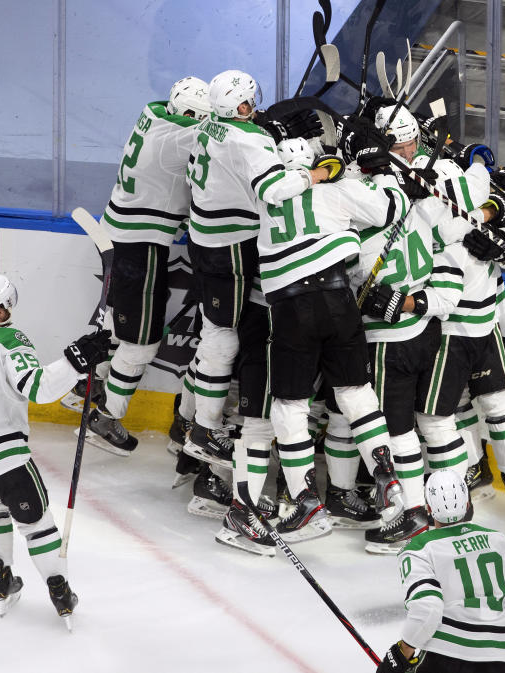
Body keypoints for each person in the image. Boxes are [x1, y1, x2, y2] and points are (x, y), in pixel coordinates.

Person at [247, 136, 418, 549]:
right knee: (356, 391)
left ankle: (306, 502)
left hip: (290, 307)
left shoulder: (265, 200)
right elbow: (393, 207)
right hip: (339, 297)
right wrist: (383, 171)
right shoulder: (338, 190)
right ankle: (390, 483)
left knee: (289, 405)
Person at [0, 273, 111, 623]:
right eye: (3, 304)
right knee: (37, 523)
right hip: (0, 459)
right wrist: (75, 362)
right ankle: (60, 591)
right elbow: (38, 389)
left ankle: (1, 579)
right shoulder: (10, 339)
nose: (8, 309)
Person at [350, 107, 491, 553]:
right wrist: (424, 304)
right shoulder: (426, 199)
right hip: (430, 333)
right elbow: (452, 250)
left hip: (389, 342)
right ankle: (456, 508)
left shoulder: (359, 200)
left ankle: (413, 514)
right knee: (436, 420)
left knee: (395, 430)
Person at [182, 69, 330, 467]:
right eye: (249, 101)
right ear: (240, 106)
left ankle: (190, 422)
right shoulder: (248, 141)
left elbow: (237, 147)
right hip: (228, 247)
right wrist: (313, 174)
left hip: (203, 236)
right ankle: (205, 429)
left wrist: (270, 129)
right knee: (222, 338)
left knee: (217, 331)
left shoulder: (209, 124)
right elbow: (273, 189)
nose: (254, 105)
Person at [79, 76, 212, 456]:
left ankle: (85, 387)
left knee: (118, 331)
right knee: (141, 343)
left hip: (117, 234)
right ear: (187, 113)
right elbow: (220, 141)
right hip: (139, 245)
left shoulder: (153, 114)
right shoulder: (178, 138)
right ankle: (106, 418)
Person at [415, 165, 505, 513]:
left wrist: (501, 246)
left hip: (485, 329)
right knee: (454, 409)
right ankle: (466, 472)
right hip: (449, 332)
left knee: (497, 404)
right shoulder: (433, 224)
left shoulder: (488, 225)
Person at [377, 469, 505, 672]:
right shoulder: (499, 540)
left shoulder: (419, 548)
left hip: (449, 659)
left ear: (429, 508)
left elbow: (427, 608)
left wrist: (401, 654)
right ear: (467, 504)